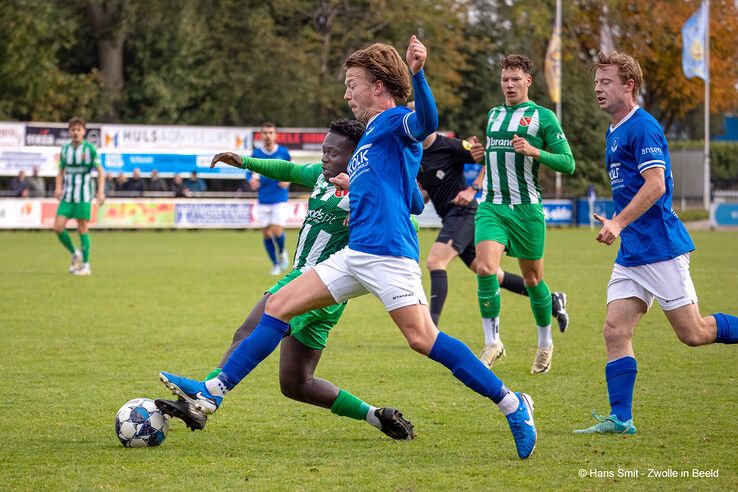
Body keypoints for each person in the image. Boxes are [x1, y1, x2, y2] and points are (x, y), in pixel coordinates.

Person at [159, 36, 537, 460]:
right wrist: (352, 182)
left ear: (378, 85)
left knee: (422, 339)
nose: (346, 93)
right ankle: (210, 393)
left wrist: (418, 73)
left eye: (352, 83)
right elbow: (393, 186)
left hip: (390, 255)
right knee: (277, 306)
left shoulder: (396, 120)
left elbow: (426, 122)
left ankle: (512, 403)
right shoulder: (374, 132)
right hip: (356, 254)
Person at [156, 119, 415, 440]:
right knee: (296, 383)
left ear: (357, 155)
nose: (324, 157)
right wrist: (244, 162)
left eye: (333, 152)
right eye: (323, 150)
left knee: (249, 328)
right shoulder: (321, 178)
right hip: (321, 292)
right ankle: (376, 416)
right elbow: (287, 170)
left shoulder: (368, 187)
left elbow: (403, 217)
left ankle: (206, 397)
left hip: (317, 283)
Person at [574, 51, 738, 434]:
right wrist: (619, 226)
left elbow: (656, 185)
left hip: (661, 248)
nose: (598, 89)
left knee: (693, 333)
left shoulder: (643, 127)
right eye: (596, 82)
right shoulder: (613, 130)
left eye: (606, 82)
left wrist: (618, 221)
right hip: (633, 252)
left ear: (628, 85)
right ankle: (621, 419)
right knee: (615, 330)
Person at [410, 104, 569, 344]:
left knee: (435, 261)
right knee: (494, 274)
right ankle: (552, 300)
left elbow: (489, 159)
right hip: (449, 216)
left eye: (418, 119)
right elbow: (428, 190)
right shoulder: (414, 152)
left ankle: (431, 326)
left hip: (464, 214)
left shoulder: (451, 145)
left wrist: (473, 188)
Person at [474, 54, 575, 374]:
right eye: (505, 79)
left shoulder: (543, 117)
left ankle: (545, 343)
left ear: (528, 81)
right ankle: (492, 342)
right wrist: (481, 154)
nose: (509, 85)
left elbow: (568, 163)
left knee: (533, 280)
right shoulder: (493, 115)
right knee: (486, 269)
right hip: (492, 205)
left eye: (515, 79)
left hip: (527, 210)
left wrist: (535, 151)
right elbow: (494, 159)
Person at [53, 117, 105, 276]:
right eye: (73, 129)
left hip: (83, 195)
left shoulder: (90, 149)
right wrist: (58, 187)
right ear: (69, 131)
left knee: (82, 228)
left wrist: (100, 192)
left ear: (84, 132)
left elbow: (101, 172)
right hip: (68, 195)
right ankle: (75, 253)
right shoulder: (65, 149)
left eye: (79, 129)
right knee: (58, 227)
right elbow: (61, 171)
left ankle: (86, 265)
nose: (76, 132)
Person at [250, 123, 292, 275]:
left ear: (275, 135)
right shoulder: (256, 153)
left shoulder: (283, 152)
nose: (267, 135)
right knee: (266, 233)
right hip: (263, 197)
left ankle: (281, 251)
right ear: (261, 135)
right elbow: (250, 172)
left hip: (280, 197)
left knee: (277, 230)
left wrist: (287, 180)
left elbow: (291, 170)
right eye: (265, 133)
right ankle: (275, 264)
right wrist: (251, 180)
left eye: (270, 132)